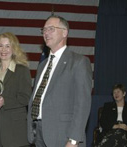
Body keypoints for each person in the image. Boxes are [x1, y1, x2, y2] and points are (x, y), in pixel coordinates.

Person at [27, 15, 92, 147]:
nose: (46, 33)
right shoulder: (42, 65)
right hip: (38, 133)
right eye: (44, 30)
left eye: (51, 29)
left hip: (62, 135)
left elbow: (82, 104)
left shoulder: (79, 62)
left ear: (64, 32)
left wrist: (74, 139)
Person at [0, 32, 32, 147]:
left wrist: (4, 101)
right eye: (1, 46)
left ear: (14, 49)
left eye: (8, 46)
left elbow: (26, 98)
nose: (4, 50)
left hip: (16, 130)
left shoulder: (22, 70)